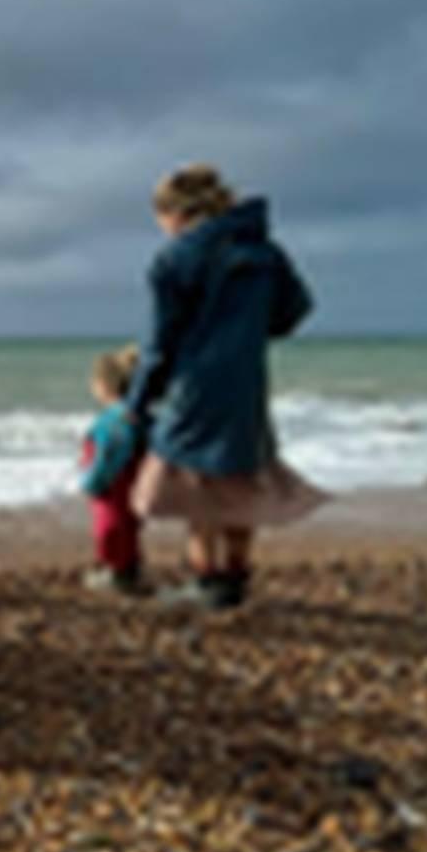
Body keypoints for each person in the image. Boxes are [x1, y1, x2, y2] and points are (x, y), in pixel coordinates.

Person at [124, 163, 328, 610]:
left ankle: (205, 578)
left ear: (176, 212)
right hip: (246, 382)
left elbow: (160, 342)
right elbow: (294, 311)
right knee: (240, 476)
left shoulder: (175, 258)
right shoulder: (265, 252)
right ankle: (235, 577)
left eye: (161, 219)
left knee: (197, 482)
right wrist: (248, 330)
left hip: (194, 384)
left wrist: (136, 402)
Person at [80, 345, 150, 596]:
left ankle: (116, 574)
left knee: (108, 527)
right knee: (128, 527)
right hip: (134, 483)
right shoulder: (137, 416)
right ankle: (129, 568)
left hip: (112, 487)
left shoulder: (113, 421)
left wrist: (91, 483)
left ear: (103, 385)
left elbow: (107, 457)